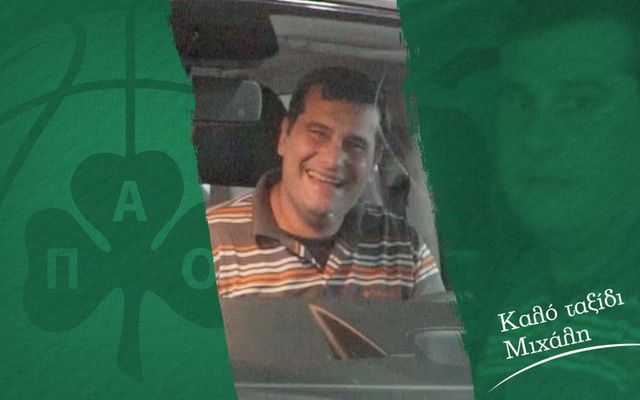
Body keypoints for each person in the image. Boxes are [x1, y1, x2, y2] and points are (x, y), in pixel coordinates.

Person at [207, 67, 444, 299]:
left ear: (375, 159)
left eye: (355, 144)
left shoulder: (404, 248)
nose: (332, 160)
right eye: (318, 133)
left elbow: (441, 326)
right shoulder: (209, 244)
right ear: (284, 136)